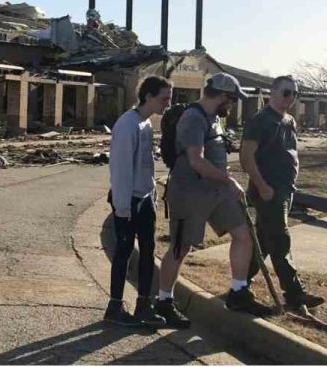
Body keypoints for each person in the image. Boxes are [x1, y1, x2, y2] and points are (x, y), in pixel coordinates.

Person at [156, 73, 272, 328]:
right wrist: (229, 180)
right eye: (231, 99)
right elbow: (196, 161)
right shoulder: (193, 118)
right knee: (180, 247)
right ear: (222, 95)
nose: (232, 105)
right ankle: (164, 302)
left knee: (244, 234)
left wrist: (225, 181)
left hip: (217, 190)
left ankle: (238, 292)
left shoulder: (213, 119)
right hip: (190, 192)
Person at [241, 76, 324, 309]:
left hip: (284, 190)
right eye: (286, 92)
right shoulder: (261, 120)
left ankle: (240, 284)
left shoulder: (288, 120)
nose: (291, 97)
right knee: (280, 239)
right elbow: (246, 157)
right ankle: (295, 293)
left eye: (294, 94)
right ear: (273, 92)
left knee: (265, 242)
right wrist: (263, 186)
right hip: (268, 191)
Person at [104, 76, 172, 327]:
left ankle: (144, 304)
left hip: (144, 200)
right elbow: (120, 169)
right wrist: (122, 207)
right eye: (164, 98)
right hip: (128, 201)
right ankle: (115, 306)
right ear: (149, 96)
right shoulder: (127, 124)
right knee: (123, 252)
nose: (168, 103)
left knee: (147, 253)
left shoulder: (145, 124)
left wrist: (152, 195)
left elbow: (147, 166)